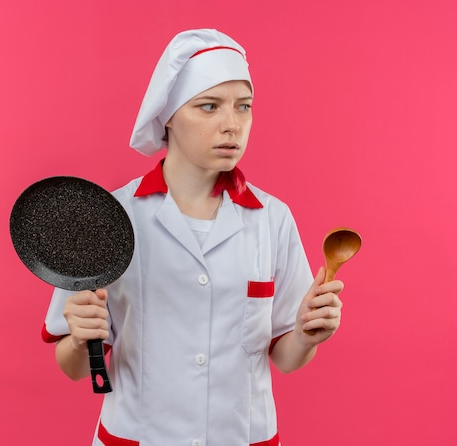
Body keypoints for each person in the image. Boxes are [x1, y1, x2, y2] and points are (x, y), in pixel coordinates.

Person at [42, 29, 344, 446]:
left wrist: (308, 334)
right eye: (209, 107)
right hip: (139, 436)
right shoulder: (111, 216)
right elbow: (73, 366)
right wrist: (78, 338)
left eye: (244, 107)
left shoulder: (272, 218)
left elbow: (286, 358)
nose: (232, 124)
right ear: (168, 114)